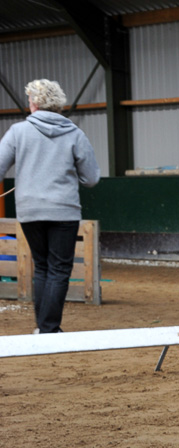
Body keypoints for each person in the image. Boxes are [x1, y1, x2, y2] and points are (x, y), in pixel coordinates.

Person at [0, 79, 100, 334]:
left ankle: (43, 327)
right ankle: (48, 329)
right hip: (63, 210)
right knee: (59, 269)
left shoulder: (17, 132)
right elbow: (91, 179)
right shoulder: (75, 134)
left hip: (29, 210)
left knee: (42, 266)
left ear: (33, 103)